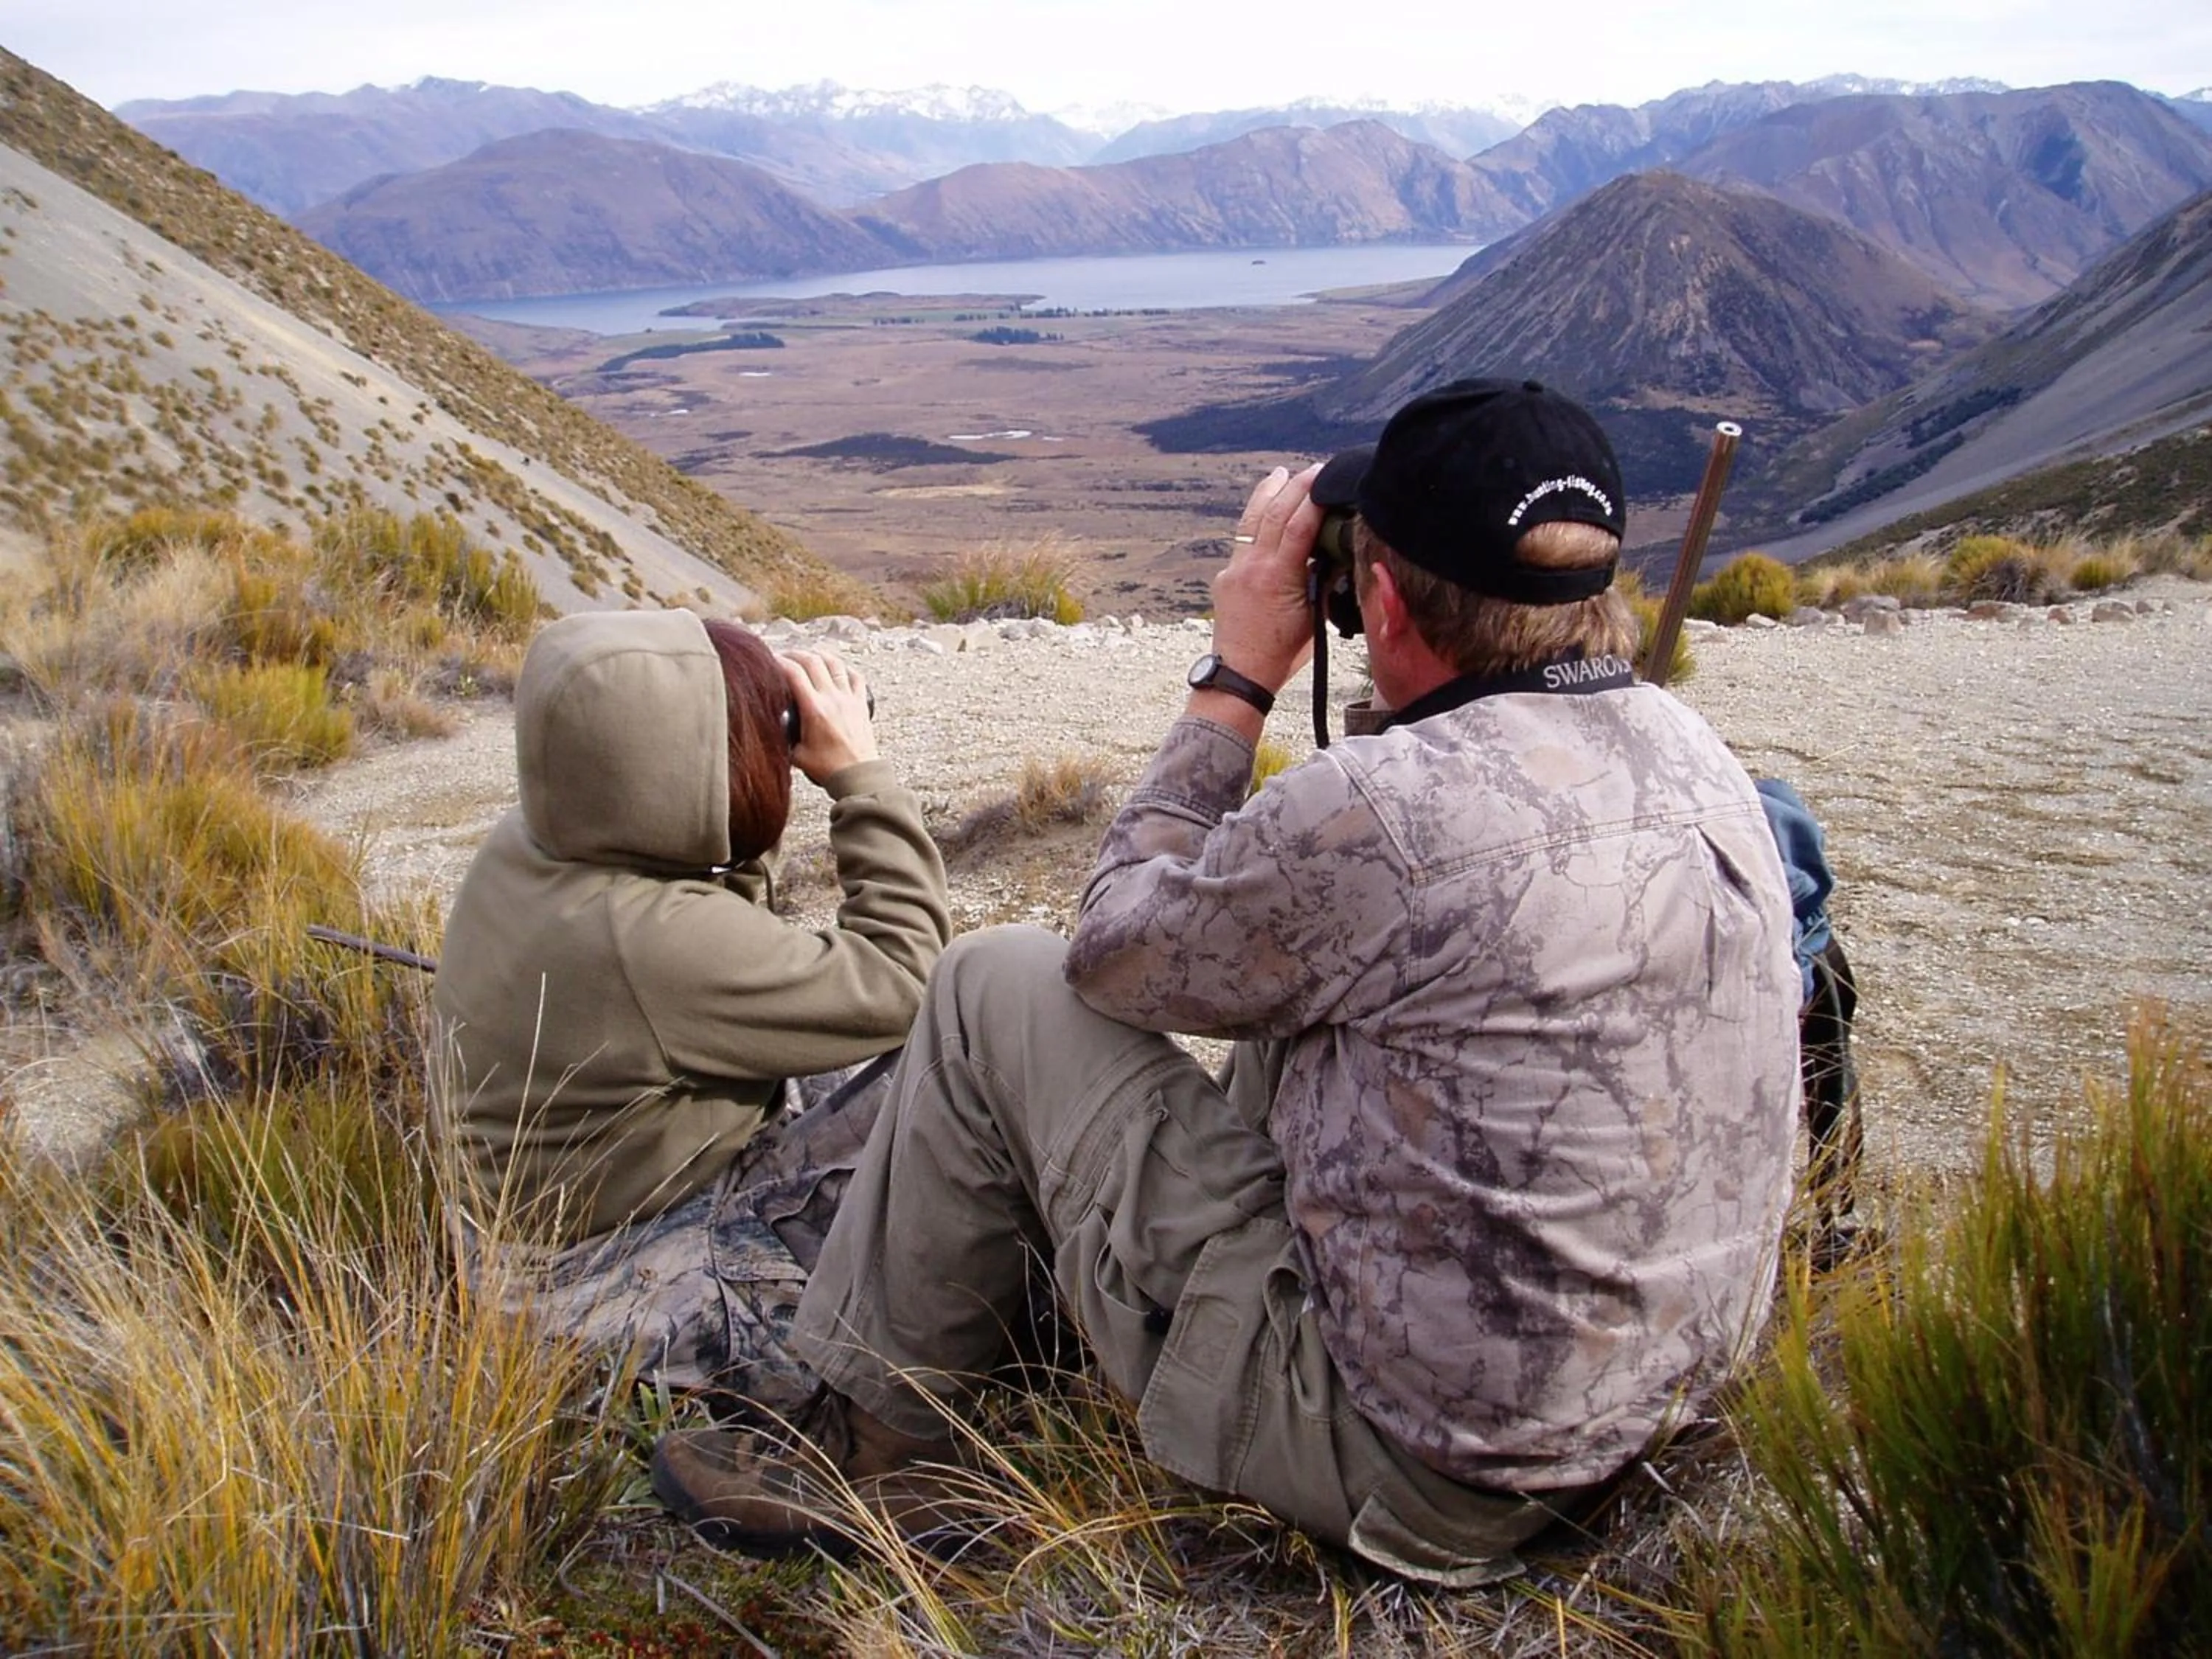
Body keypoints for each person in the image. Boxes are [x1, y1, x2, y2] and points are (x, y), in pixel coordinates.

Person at [649, 380, 1804, 1582]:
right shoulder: (1692, 753)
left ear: (1380, 598)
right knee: (1293, 988)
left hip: (1424, 1473)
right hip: (1648, 1424)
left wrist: (1238, 674)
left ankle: (869, 1449)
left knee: (994, 984)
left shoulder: (1384, 813)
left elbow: (1113, 951)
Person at [434, 607, 952, 1403]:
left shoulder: (545, 842)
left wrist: (732, 765)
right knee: (956, 1069)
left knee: (868, 1069)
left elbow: (713, 894)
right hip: (616, 1287)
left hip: (532, 1244)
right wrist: (860, 778)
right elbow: (906, 978)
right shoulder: (646, 939)